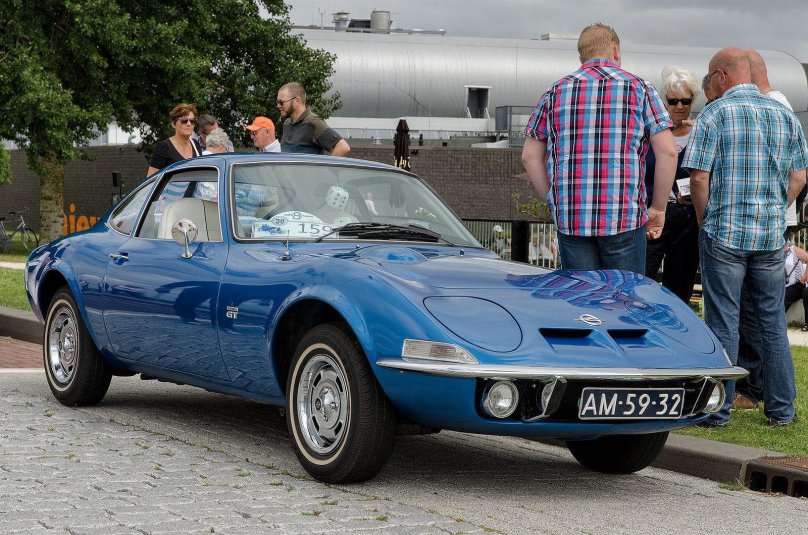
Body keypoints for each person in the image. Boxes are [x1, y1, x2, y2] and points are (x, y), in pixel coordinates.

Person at [683, 47, 808, 427]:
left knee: (723, 320)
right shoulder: (785, 115)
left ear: (722, 75)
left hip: (724, 232)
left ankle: (717, 412)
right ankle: (782, 409)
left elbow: (699, 177)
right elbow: (799, 177)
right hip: (769, 236)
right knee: (772, 322)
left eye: (711, 77)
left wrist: (705, 219)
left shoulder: (714, 114)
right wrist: (775, 209)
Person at [521, 23, 677, 273]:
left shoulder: (554, 92)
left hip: (572, 219)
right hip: (624, 217)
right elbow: (668, 152)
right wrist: (658, 208)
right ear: (615, 51)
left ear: (581, 56)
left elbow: (530, 156)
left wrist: (553, 200)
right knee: (624, 294)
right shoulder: (641, 88)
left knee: (582, 295)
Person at [644, 67, 701, 303]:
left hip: (688, 218)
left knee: (680, 286)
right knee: (642, 277)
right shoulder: (650, 132)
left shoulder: (699, 134)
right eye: (673, 101)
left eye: (685, 101)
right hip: (652, 215)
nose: (679, 106)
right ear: (663, 101)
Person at [276, 82, 350, 156]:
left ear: (297, 101)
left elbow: (343, 147)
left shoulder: (313, 123)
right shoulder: (287, 123)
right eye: (277, 102)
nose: (278, 106)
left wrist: (325, 164)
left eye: (281, 102)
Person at [146, 103, 203, 177]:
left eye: (192, 121)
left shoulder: (195, 144)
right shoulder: (163, 147)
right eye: (184, 120)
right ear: (173, 124)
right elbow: (151, 178)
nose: (189, 124)